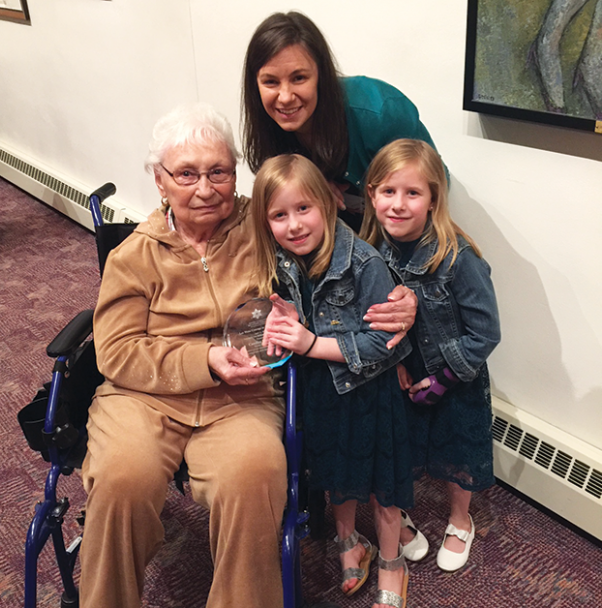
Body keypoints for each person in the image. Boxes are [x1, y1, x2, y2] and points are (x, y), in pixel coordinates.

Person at [79, 103, 287, 608]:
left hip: (243, 394)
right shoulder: (135, 255)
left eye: (218, 171)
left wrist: (402, 293)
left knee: (254, 473)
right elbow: (117, 351)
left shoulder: (264, 229)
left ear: (234, 173)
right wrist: (204, 360)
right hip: (145, 397)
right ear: (160, 180)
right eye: (187, 174)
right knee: (120, 480)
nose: (205, 187)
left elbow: (332, 262)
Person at [251, 153, 415, 608]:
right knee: (334, 477)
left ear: (328, 204)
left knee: (382, 490)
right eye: (279, 215)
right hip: (322, 391)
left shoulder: (365, 264)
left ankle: (391, 561)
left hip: (370, 395)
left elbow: (387, 346)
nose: (295, 225)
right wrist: (280, 329)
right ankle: (349, 543)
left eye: (304, 209)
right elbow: (289, 327)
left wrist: (308, 344)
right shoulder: (281, 260)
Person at [360, 139, 501, 572]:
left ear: (433, 199)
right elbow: (375, 318)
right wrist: (399, 362)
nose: (398, 205)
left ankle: (461, 519)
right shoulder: (371, 253)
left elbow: (486, 333)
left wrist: (442, 379)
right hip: (404, 374)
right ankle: (396, 516)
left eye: (413, 193)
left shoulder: (459, 258)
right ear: (371, 195)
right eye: (388, 192)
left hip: (455, 378)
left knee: (459, 449)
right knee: (398, 446)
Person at [242, 11, 444, 232]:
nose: (285, 96)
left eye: (299, 78)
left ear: (322, 75)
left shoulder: (381, 112)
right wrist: (311, 188)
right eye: (270, 82)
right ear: (255, 86)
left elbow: (436, 184)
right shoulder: (268, 130)